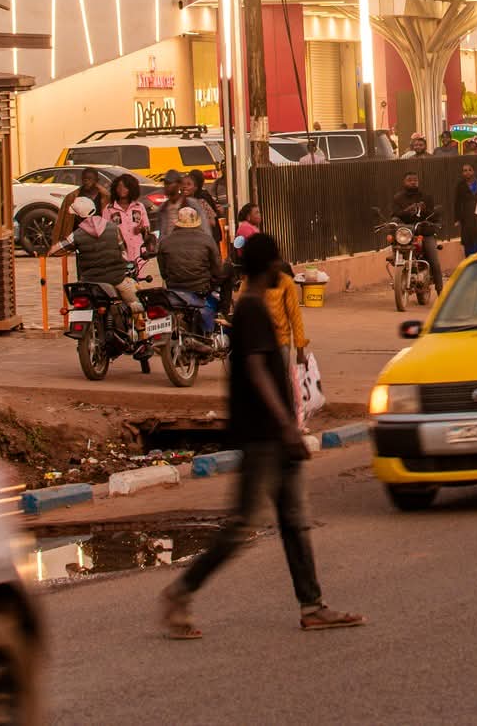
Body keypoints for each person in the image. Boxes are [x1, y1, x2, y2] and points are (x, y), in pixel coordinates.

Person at [158, 234, 364, 637]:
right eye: (278, 263)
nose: (281, 269)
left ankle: (312, 605)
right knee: (242, 525)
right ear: (266, 267)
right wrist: (286, 426)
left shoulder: (254, 307)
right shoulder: (251, 309)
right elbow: (255, 370)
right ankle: (180, 592)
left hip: (274, 433)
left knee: (293, 522)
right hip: (263, 436)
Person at [157, 203, 220, 334]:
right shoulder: (207, 240)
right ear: (197, 223)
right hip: (200, 289)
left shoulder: (165, 242)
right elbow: (217, 269)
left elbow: (163, 273)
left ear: (177, 223)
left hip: (174, 290)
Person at [263, 256, 309, 374]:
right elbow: (295, 318)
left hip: (259, 344)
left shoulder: (251, 281)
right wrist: (300, 353)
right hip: (279, 341)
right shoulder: (286, 283)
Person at [391, 171, 441, 273]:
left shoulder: (426, 196)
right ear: (404, 182)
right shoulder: (398, 198)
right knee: (394, 243)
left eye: (415, 180)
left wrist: (423, 210)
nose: (413, 182)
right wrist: (408, 210)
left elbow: (432, 214)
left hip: (424, 231)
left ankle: (439, 285)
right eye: (410, 180)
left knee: (433, 259)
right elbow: (395, 215)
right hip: (406, 233)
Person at [107, 173, 152, 265]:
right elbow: (105, 231)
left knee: (138, 277)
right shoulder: (109, 209)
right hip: (119, 253)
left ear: (132, 189)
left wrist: (141, 229)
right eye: (119, 186)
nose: (121, 189)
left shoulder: (139, 207)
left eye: (125, 187)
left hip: (138, 252)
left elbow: (147, 227)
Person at [55, 168, 107, 242]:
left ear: (97, 180)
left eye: (90, 179)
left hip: (98, 235)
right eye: (84, 179)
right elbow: (61, 222)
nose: (86, 181)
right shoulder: (72, 197)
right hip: (78, 236)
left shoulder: (105, 197)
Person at [451, 164, 477, 256]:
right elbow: (457, 202)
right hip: (467, 215)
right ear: (462, 173)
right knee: (468, 237)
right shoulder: (460, 185)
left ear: (473, 171)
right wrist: (457, 218)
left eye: (470, 170)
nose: (467, 172)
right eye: (465, 170)